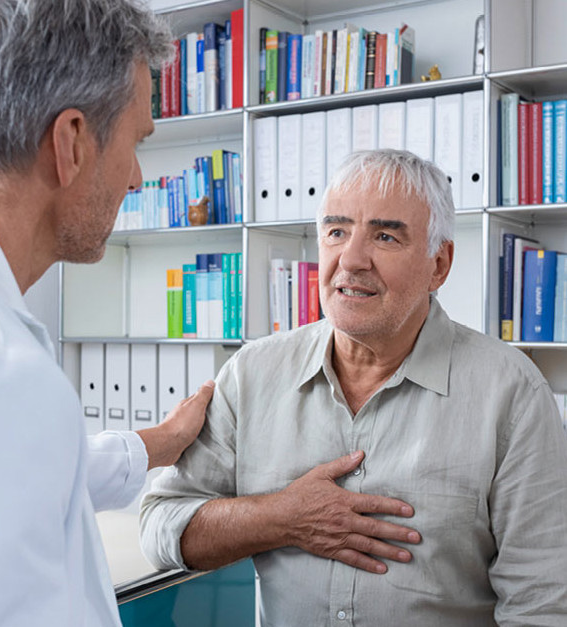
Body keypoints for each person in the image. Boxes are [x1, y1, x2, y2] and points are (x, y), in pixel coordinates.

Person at [141, 149, 567, 626]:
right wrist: (281, 517)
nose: (352, 259)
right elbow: (161, 526)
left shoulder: (512, 393)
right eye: (337, 231)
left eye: (385, 236)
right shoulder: (251, 373)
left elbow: (542, 607)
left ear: (439, 265)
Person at [0, 1, 213, 626]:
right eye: (137, 142)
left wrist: (161, 443)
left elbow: (16, 471)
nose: (139, 178)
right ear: (71, 143)